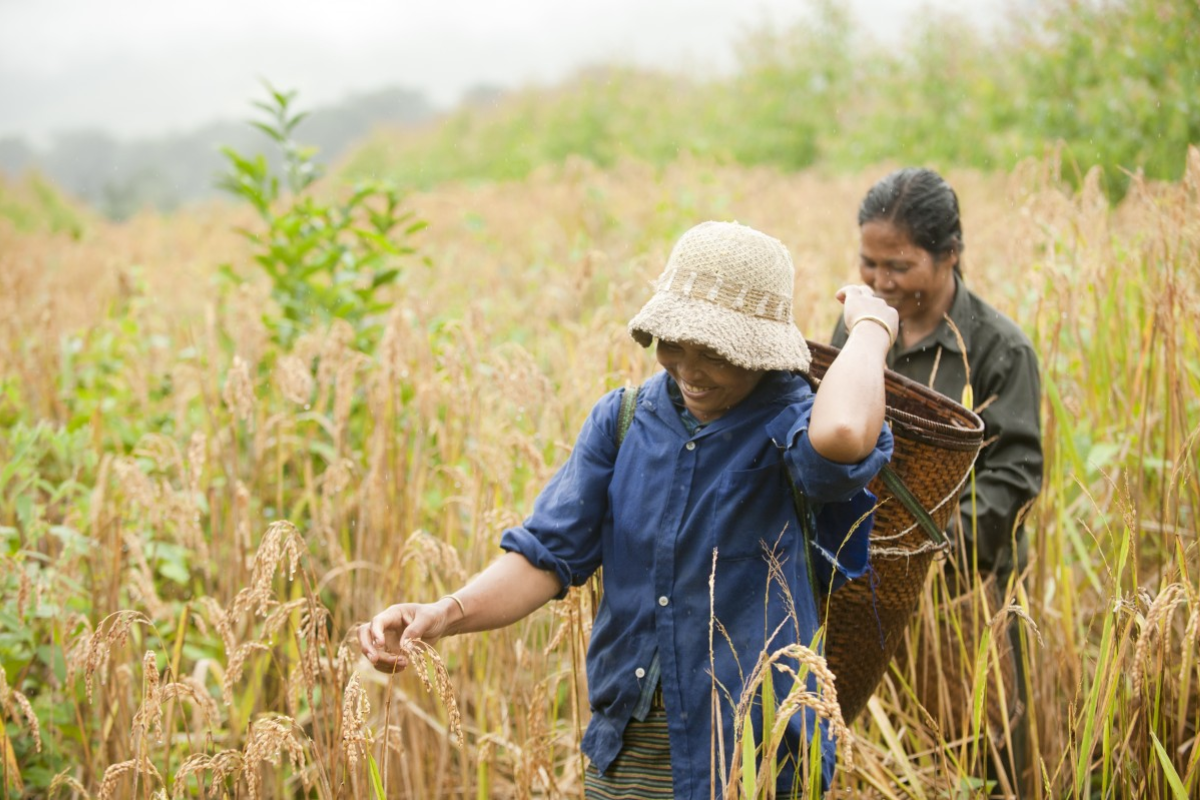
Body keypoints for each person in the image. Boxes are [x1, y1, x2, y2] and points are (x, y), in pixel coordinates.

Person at [360, 220, 897, 799]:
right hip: (630, 748)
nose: (689, 369)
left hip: (752, 755)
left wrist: (869, 328)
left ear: (759, 351)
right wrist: (445, 614)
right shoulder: (622, 421)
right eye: (673, 344)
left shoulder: (792, 424)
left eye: (713, 352)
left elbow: (844, 432)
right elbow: (546, 557)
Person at [831, 168, 1043, 795]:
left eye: (898, 265)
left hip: (964, 597)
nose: (879, 282)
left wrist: (926, 558)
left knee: (981, 756)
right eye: (868, 263)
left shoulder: (999, 349)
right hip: (861, 593)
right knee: (880, 757)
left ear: (950, 254)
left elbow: (1015, 474)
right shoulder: (858, 328)